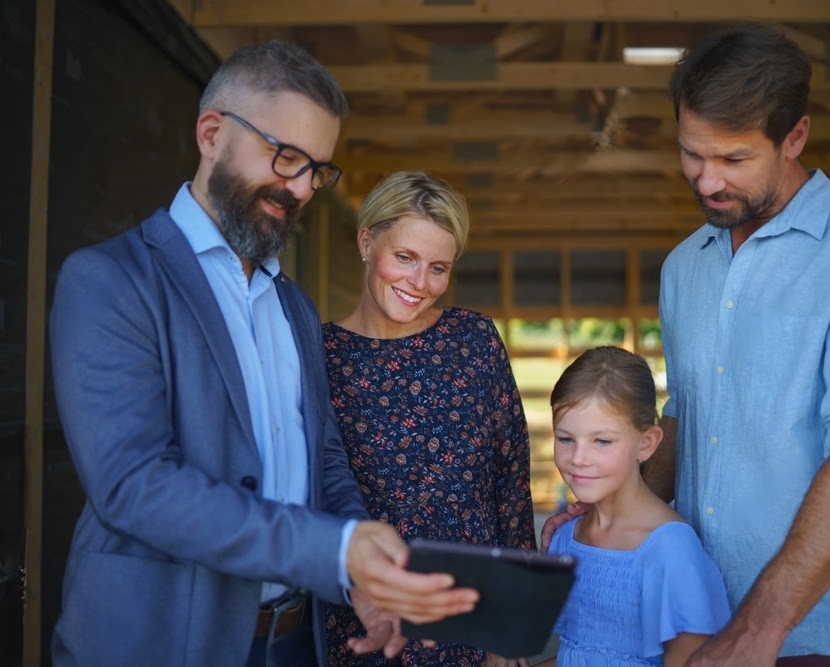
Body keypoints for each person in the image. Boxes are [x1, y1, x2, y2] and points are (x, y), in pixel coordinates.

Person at [48, 41, 478, 667]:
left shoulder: (294, 306)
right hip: (158, 644)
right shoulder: (110, 280)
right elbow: (134, 485)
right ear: (212, 133)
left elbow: (324, 459)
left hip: (297, 643)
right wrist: (335, 549)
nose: (301, 188)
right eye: (285, 157)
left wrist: (363, 579)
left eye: (318, 170)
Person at [544, 23, 830, 666]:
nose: (705, 181)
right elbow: (685, 417)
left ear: (796, 138)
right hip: (708, 617)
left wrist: (761, 627)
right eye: (692, 154)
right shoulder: (685, 267)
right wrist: (608, 498)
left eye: (733, 159)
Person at [322, 171, 537, 666]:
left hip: (472, 623)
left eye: (438, 267)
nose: (420, 284)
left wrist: (514, 624)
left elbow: (511, 483)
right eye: (404, 258)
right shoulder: (319, 354)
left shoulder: (474, 339)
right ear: (365, 240)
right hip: (363, 622)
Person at [537, 347, 730, 667]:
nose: (579, 458)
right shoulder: (566, 538)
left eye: (602, 441)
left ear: (647, 443)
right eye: (566, 439)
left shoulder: (670, 550)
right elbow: (581, 656)